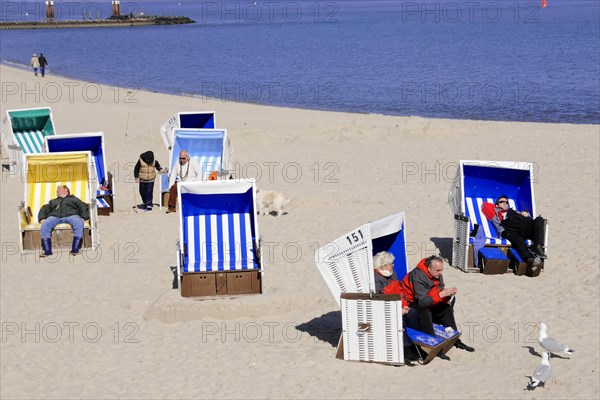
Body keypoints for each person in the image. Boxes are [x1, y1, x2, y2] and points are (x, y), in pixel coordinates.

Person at [401, 255, 475, 352]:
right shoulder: (418, 276)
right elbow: (422, 302)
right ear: (429, 268)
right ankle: (433, 344)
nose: (440, 273)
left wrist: (447, 294)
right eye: (438, 270)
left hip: (426, 298)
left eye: (441, 270)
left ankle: (454, 340)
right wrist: (441, 295)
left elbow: (439, 288)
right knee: (425, 312)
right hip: (411, 301)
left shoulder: (436, 273)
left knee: (446, 309)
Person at [372, 251, 421, 361]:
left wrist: (404, 305)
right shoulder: (375, 278)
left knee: (412, 313)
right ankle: (405, 350)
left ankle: (415, 344)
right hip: (385, 309)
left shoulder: (392, 274)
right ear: (383, 265)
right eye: (391, 264)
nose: (393, 265)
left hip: (397, 306)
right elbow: (380, 298)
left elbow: (400, 292)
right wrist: (397, 309)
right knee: (399, 320)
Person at [481, 195, 546, 270]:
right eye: (502, 202)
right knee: (519, 240)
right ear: (497, 205)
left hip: (522, 230)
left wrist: (526, 213)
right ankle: (530, 259)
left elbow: (525, 220)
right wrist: (497, 207)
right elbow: (484, 205)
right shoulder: (494, 213)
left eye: (506, 202)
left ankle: (537, 247)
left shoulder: (512, 211)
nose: (505, 203)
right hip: (507, 231)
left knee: (539, 219)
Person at [38, 185, 89, 256]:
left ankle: (75, 250)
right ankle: (47, 251)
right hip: (55, 216)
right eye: (57, 189)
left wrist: (83, 217)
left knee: (78, 222)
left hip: (71, 215)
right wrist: (42, 218)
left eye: (59, 188)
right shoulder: (53, 201)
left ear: (66, 190)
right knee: (45, 224)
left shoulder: (73, 199)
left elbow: (83, 206)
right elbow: (44, 208)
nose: (57, 190)